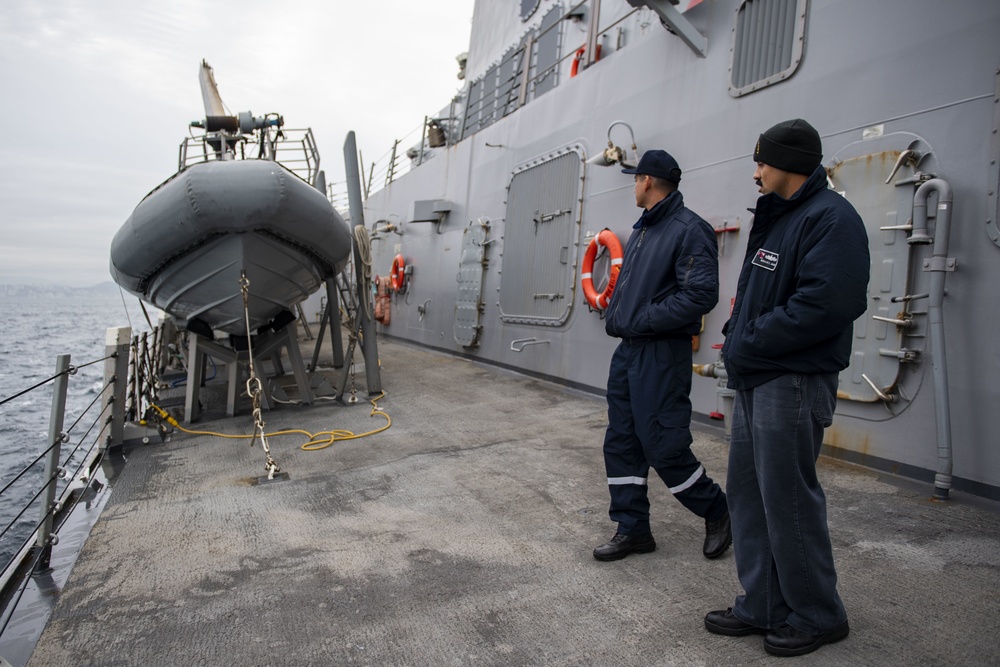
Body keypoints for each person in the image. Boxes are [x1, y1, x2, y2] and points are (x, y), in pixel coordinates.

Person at [705, 119, 870, 656]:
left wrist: (747, 341)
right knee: (750, 498)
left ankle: (819, 613)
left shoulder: (831, 219)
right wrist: (738, 337)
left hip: (793, 380)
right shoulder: (779, 219)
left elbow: (828, 304)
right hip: (759, 376)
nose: (756, 172)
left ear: (791, 164)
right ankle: (764, 604)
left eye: (763, 162)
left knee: (789, 501)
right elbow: (758, 296)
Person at [593, 149, 731, 563]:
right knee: (622, 441)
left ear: (647, 181)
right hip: (629, 352)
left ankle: (718, 510)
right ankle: (632, 528)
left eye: (636, 179)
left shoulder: (689, 230)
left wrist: (645, 318)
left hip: (659, 353)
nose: (634, 185)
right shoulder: (645, 230)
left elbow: (701, 295)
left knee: (663, 444)